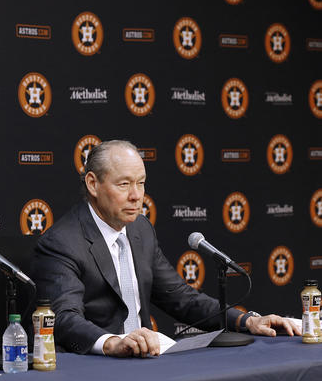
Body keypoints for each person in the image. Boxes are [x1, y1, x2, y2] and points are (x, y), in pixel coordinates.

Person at [33, 140, 301, 358]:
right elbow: (63, 319)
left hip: (148, 360)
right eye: (124, 184)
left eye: (141, 183)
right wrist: (113, 342)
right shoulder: (62, 243)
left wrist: (247, 321)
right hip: (95, 366)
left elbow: (180, 298)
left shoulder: (140, 230)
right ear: (93, 184)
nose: (137, 195)